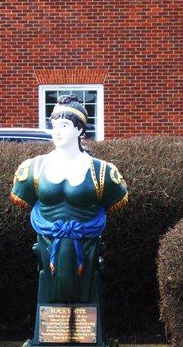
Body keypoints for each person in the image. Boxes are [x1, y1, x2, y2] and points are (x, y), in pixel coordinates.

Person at [10, 95, 128, 312]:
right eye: (54, 125)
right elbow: (25, 198)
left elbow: (114, 199)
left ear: (80, 130)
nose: (58, 131)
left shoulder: (103, 172)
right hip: (46, 240)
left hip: (87, 241)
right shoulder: (33, 168)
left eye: (64, 125)